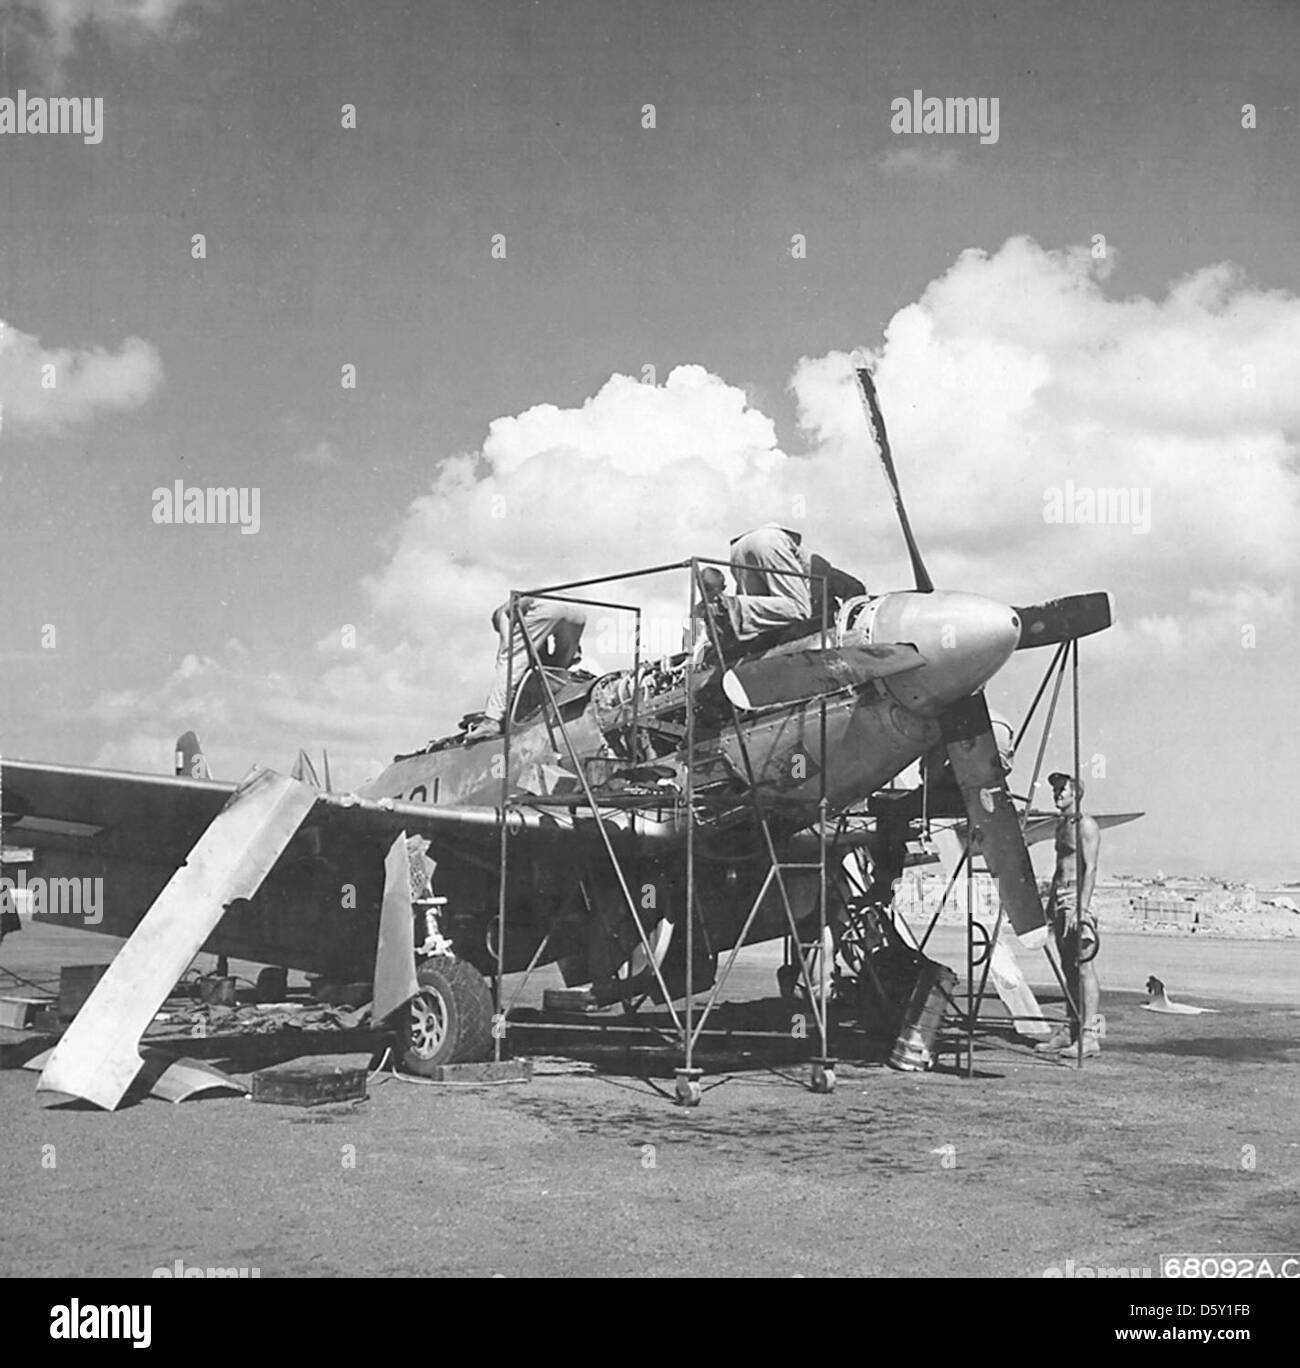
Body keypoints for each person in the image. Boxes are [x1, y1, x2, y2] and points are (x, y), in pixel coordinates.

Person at [1036, 772, 1104, 1057]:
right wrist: (1051, 902)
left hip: (1078, 897)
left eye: (1062, 789)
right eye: (1054, 789)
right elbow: (1059, 866)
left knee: (1084, 965)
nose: (1056, 794)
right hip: (1061, 897)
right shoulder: (1061, 825)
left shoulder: (1085, 825)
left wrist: (1082, 907)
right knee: (1067, 967)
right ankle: (1071, 1028)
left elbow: (1090, 868)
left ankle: (1088, 1035)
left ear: (1076, 792)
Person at [475, 595, 587, 735]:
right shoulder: (528, 615)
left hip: (548, 609)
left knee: (509, 661)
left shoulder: (502, 615)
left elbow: (508, 649)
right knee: (557, 668)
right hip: (578, 611)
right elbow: (542, 653)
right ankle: (552, 700)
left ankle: (491, 721)